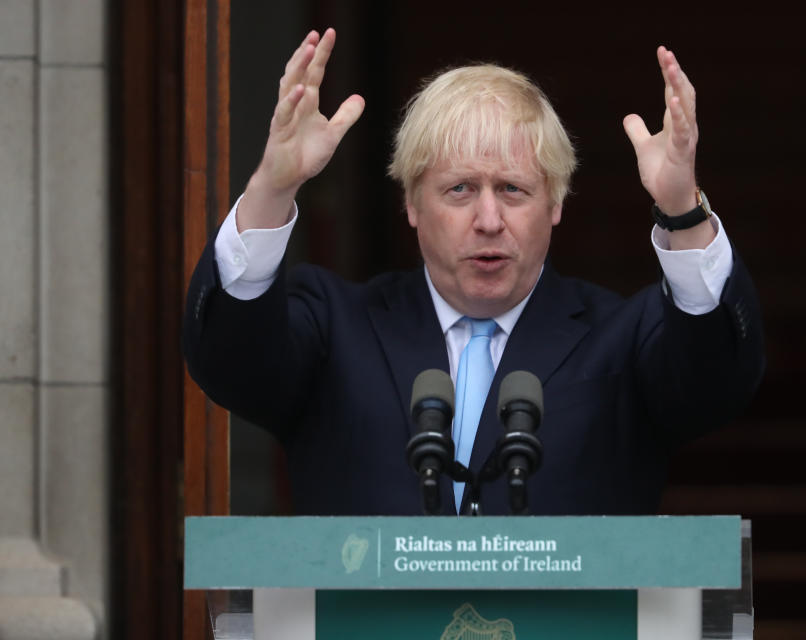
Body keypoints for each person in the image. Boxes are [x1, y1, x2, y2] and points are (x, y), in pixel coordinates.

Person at [183, 28, 763, 516]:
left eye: (513, 190)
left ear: (556, 204)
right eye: (459, 189)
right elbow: (231, 364)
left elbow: (716, 381)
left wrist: (683, 210)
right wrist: (273, 186)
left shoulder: (625, 337)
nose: (489, 220)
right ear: (411, 203)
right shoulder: (334, 326)